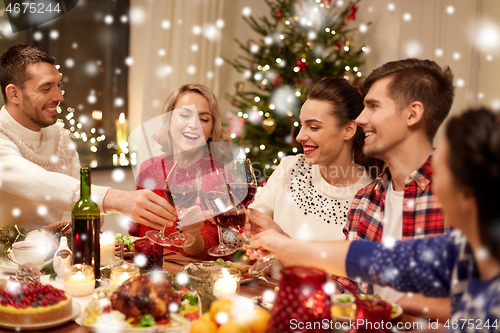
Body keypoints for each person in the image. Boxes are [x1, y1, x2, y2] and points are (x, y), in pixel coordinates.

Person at [246, 108, 500, 332]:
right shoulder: (456, 248)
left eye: (440, 171)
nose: (430, 182)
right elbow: (375, 259)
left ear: (467, 195)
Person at [245, 59, 454, 321]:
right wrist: (284, 246)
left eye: (374, 106)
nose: (361, 118)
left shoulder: (464, 194)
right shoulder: (368, 201)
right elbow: (345, 294)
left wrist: (410, 312)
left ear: (412, 114)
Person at [0, 44, 175, 230]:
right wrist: (117, 199)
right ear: (14, 94)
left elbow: (84, 204)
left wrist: (81, 222)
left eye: (58, 85)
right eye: (46, 89)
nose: (59, 97)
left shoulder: (59, 137)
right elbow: (37, 181)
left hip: (50, 256)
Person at [248, 77, 383, 277]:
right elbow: (248, 231)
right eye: (301, 125)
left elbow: (344, 285)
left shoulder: (369, 198)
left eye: (313, 127)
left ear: (348, 129)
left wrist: (282, 240)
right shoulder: (290, 167)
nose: (300, 136)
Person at [131, 83, 236, 259]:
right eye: (185, 115)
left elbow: (209, 250)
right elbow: (137, 233)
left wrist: (193, 235)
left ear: (211, 131)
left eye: (203, 119)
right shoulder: (149, 168)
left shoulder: (218, 174)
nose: (193, 124)